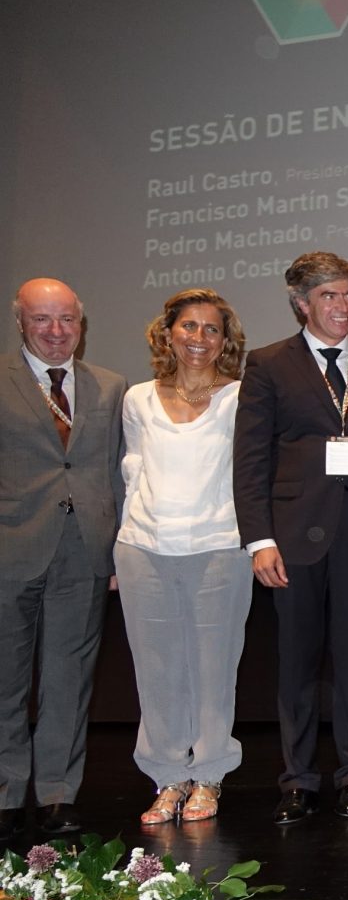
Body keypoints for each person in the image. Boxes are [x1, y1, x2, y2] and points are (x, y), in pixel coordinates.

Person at [234, 251, 348, 824]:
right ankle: (298, 779)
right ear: (301, 303)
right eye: (329, 296)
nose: (342, 306)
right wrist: (259, 540)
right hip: (292, 538)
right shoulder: (268, 364)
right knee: (298, 663)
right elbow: (250, 458)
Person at [118, 289, 254, 826]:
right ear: (167, 332)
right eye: (189, 326)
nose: (200, 338)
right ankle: (166, 777)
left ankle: (211, 775)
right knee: (157, 670)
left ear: (226, 341)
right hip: (142, 550)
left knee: (214, 668)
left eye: (212, 329)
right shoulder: (137, 398)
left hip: (219, 547)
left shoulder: (240, 397)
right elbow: (132, 470)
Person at [0, 279, 126, 841]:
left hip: (85, 553)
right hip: (10, 550)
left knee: (69, 681)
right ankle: (5, 795)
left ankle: (57, 795)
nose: (55, 332)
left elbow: (118, 472)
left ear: (82, 322)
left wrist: (120, 546)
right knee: (4, 681)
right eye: (42, 320)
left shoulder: (110, 386)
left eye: (66, 320)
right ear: (20, 321)